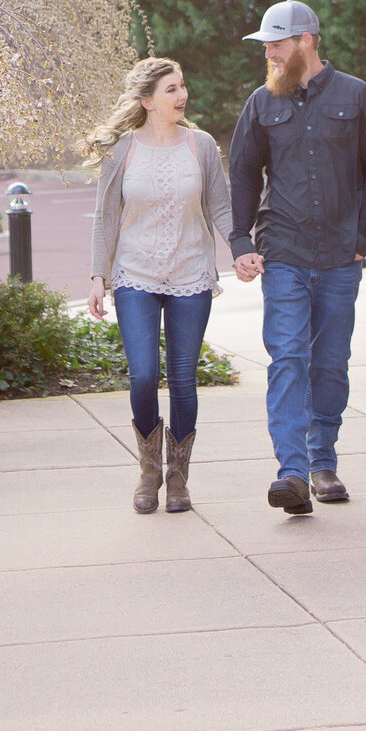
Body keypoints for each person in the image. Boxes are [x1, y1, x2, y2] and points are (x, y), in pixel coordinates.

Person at [226, 0, 366, 516]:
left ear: (307, 42)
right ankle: (292, 471)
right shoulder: (261, 104)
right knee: (288, 359)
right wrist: (241, 242)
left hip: (341, 258)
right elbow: (243, 174)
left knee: (330, 363)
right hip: (285, 254)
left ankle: (323, 461)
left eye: (277, 44)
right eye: (267, 46)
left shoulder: (356, 96)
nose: (270, 54)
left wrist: (363, 240)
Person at [83, 56, 233, 514]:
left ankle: (178, 477)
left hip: (190, 272)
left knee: (184, 379)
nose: (181, 95)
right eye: (170, 89)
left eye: (182, 86)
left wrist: (242, 250)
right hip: (136, 275)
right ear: (147, 101)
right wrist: (98, 276)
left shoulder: (201, 145)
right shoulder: (122, 150)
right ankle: (148, 470)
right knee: (144, 373)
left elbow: (222, 208)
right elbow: (106, 217)